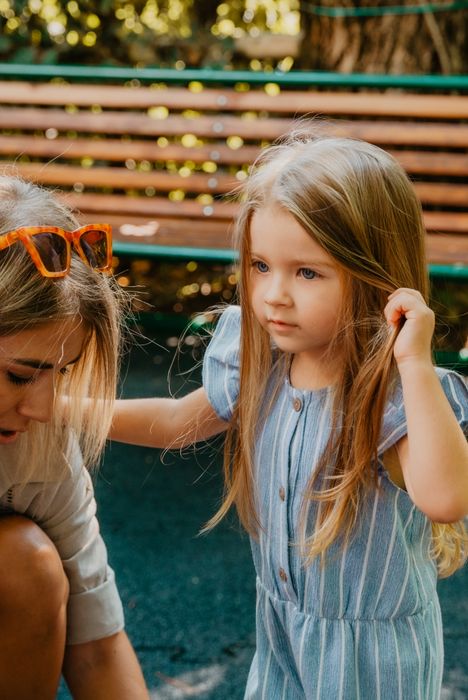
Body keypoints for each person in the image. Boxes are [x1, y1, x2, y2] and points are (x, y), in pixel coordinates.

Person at [110, 132, 468, 699]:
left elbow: (446, 497)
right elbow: (180, 421)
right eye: (260, 265)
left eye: (307, 272)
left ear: (374, 275)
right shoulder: (265, 366)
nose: (274, 294)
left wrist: (416, 364)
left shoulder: (393, 394)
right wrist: (62, 409)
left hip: (372, 667)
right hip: (282, 634)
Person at [0, 174, 149, 699]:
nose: (44, 409)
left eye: (60, 374)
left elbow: (98, 646)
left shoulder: (39, 443)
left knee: (26, 564)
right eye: (20, 375)